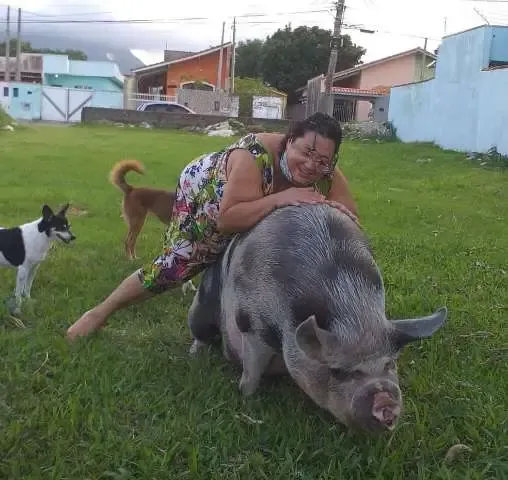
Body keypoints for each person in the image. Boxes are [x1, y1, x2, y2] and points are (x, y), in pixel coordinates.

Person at [66, 112, 360, 341]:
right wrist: (283, 198)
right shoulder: (253, 157)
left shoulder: (327, 172)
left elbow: (350, 226)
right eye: (306, 152)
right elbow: (228, 218)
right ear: (289, 140)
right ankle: (99, 312)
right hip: (207, 191)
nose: (312, 165)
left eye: (322, 160)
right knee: (178, 265)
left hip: (254, 199)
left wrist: (333, 211)